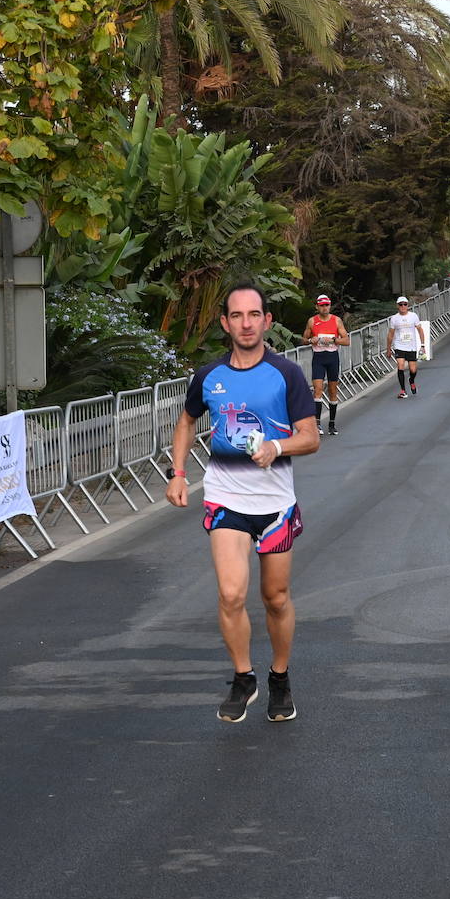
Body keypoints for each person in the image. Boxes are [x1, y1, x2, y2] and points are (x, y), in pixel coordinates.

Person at [168, 283, 320, 722]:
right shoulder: (209, 376)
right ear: (225, 323)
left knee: (275, 597)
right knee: (231, 594)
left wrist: (277, 447)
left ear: (267, 321)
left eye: (254, 314)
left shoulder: (286, 374)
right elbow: (185, 421)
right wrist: (178, 473)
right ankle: (243, 677)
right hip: (225, 498)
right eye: (237, 315)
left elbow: (310, 438)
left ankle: (279, 677)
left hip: (274, 505)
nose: (247, 323)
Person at [302, 295, 350, 435]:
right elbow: (303, 340)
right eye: (322, 305)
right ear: (317, 306)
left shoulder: (336, 320)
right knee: (317, 390)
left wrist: (334, 339)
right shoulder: (312, 321)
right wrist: (311, 340)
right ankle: (317, 424)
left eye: (327, 305)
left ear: (330, 306)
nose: (325, 307)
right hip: (318, 358)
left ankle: (331, 424)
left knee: (333, 391)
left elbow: (347, 341)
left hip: (332, 357)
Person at [386, 296, 424, 398]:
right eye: (400, 304)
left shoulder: (413, 316)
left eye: (405, 304)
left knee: (413, 370)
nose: (403, 306)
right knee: (401, 365)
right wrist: (388, 348)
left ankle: (411, 380)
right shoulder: (394, 318)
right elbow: (390, 334)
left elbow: (420, 330)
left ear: (408, 305)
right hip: (399, 345)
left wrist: (423, 345)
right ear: (397, 306)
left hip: (411, 346)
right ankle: (403, 390)